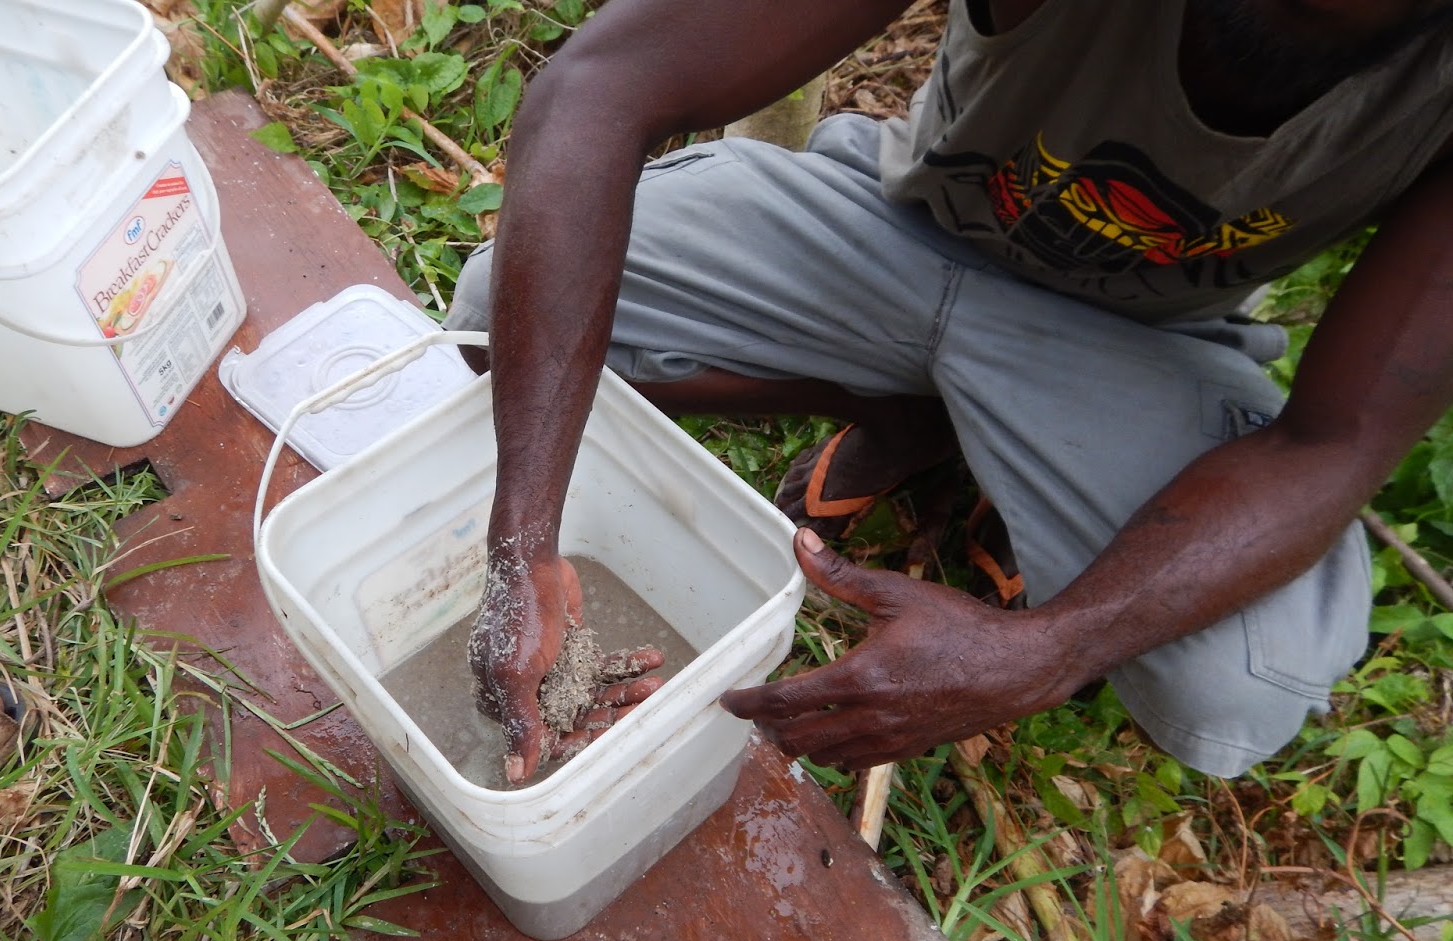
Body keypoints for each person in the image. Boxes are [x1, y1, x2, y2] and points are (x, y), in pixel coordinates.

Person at [444, 0, 1453, 784]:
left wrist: (1049, 650)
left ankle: (973, 429)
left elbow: (1331, 442)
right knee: (501, 313)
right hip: (897, 232)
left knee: (1238, 686)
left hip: (1130, 344)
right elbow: (602, 86)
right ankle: (908, 413)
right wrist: (524, 537)